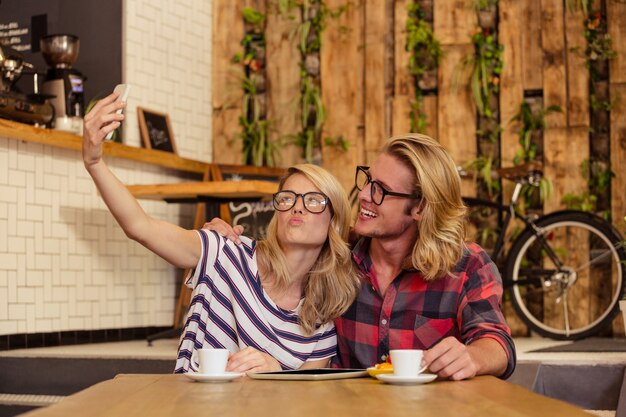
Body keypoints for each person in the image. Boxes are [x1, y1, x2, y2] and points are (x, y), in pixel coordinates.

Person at [82, 92, 360, 373]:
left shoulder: (320, 322)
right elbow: (140, 227)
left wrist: (276, 371)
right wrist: (94, 163)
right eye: (288, 197)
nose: (297, 207)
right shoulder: (226, 252)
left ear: (333, 222)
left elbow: (307, 406)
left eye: (313, 200)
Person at [205, 133, 516, 380]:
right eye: (367, 180)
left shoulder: (465, 265)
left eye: (380, 189)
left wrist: (473, 357)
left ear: (420, 208)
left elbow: (497, 343)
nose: (365, 195)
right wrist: (227, 239)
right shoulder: (336, 256)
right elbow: (277, 257)